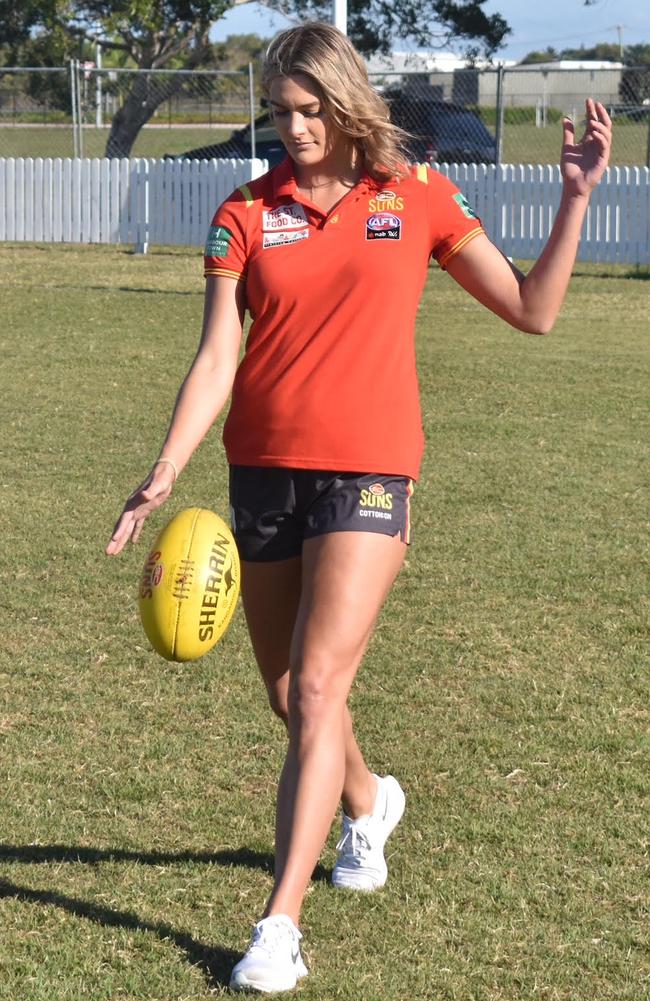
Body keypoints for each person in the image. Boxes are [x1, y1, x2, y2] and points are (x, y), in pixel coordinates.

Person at [106, 21, 612, 994]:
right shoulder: (243, 214)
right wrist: (165, 467)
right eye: (279, 112)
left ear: (345, 104)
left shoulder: (412, 193)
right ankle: (369, 800)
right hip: (261, 469)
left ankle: (277, 923)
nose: (291, 129)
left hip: (371, 471)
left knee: (322, 688)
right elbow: (219, 355)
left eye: (308, 110)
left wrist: (572, 199)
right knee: (291, 695)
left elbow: (532, 309)